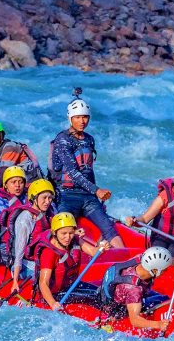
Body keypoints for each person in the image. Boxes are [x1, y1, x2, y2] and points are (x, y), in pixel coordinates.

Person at [48, 92, 125, 248]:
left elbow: (88, 170)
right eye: (77, 117)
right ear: (70, 118)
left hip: (87, 195)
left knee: (109, 228)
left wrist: (96, 196)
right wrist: (97, 190)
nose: (82, 121)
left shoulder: (89, 139)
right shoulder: (63, 139)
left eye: (85, 117)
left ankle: (125, 262)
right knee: (64, 228)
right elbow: (73, 172)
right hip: (66, 195)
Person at [125, 161, 174, 256]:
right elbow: (145, 219)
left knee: (171, 256)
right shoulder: (165, 196)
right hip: (160, 237)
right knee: (159, 256)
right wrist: (134, 220)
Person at [33, 212, 107, 311]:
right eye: (63, 233)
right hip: (56, 295)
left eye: (71, 233)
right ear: (55, 232)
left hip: (71, 286)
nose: (68, 237)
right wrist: (53, 303)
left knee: (102, 292)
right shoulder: (49, 253)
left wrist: (102, 248)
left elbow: (93, 252)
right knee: (95, 297)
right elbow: (43, 283)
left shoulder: (74, 240)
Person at [100, 247, 173, 332]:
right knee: (163, 299)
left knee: (160, 296)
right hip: (119, 309)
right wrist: (158, 325)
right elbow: (134, 320)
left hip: (118, 293)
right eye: (164, 269)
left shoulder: (142, 259)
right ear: (155, 270)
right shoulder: (134, 290)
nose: (166, 270)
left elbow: (170, 261)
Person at [3, 178, 56, 293]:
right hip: (24, 264)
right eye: (44, 198)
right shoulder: (25, 219)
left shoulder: (48, 214)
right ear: (34, 198)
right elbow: (19, 251)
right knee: (52, 278)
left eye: (50, 198)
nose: (47, 202)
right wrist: (15, 281)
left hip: (42, 260)